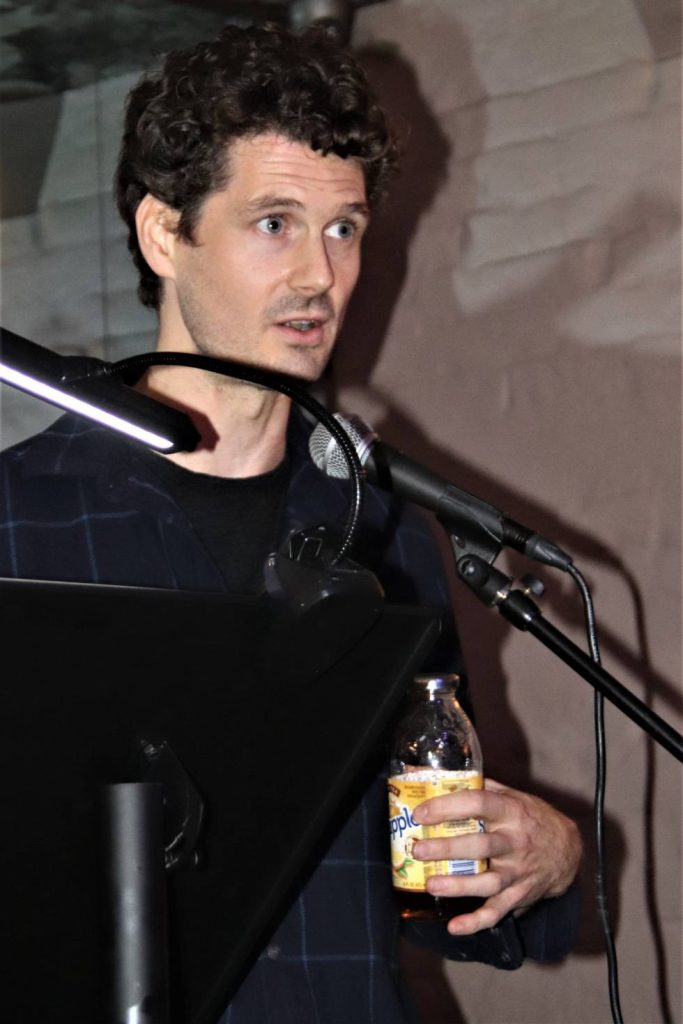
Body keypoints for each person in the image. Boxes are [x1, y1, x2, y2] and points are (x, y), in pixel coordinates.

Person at [0, 21, 582, 1023]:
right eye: (274, 222)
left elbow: (430, 883)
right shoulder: (18, 517)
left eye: (342, 228)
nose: (319, 274)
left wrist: (547, 857)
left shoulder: (385, 531)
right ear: (163, 234)